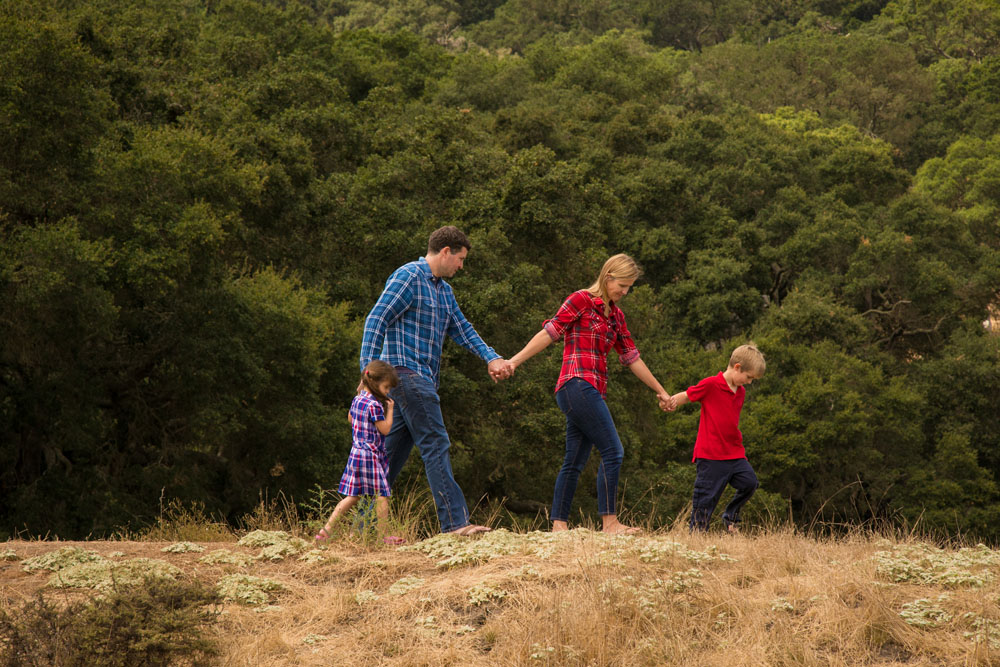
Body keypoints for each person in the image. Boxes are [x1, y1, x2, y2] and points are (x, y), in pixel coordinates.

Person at [359, 226, 511, 536]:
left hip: (417, 381)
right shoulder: (409, 276)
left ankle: (363, 531)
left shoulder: (444, 291)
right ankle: (455, 524)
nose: (461, 266)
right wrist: (369, 374)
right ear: (445, 252)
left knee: (385, 460)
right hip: (404, 374)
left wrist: (491, 357)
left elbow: (463, 329)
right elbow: (377, 319)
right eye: (460, 259)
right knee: (436, 442)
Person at [508, 254, 674, 534]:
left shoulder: (616, 317)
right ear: (608, 277)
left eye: (629, 287)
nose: (625, 292)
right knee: (613, 451)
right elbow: (550, 332)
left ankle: (559, 526)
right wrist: (514, 361)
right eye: (622, 285)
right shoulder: (581, 300)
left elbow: (632, 357)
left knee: (574, 461)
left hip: (591, 391)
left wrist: (661, 391)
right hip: (575, 384)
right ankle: (610, 523)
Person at [666, 343, 766, 533]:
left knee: (750, 483)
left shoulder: (741, 392)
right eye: (749, 377)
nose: (749, 382)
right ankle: (696, 535)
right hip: (711, 454)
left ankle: (731, 516)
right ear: (737, 367)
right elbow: (688, 396)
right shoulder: (711, 384)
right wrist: (670, 402)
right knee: (705, 500)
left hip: (734, 453)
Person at [315, 361, 404, 545]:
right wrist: (391, 409)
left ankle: (326, 530)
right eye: (386, 387)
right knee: (382, 494)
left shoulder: (358, 400)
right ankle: (383, 536)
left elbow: (350, 418)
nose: (388, 391)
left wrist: (359, 393)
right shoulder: (375, 406)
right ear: (374, 383)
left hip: (356, 452)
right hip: (370, 455)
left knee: (353, 496)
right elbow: (386, 430)